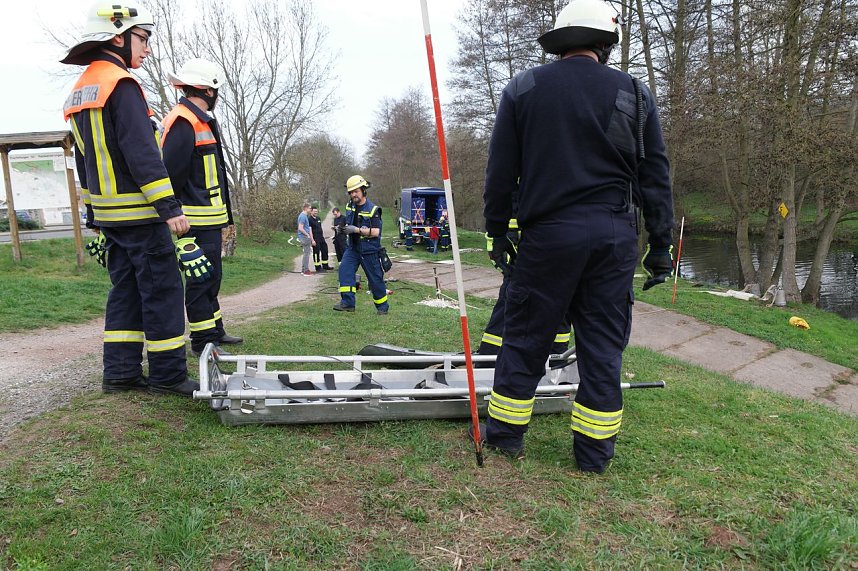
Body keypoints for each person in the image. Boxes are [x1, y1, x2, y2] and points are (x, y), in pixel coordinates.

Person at [479, 0, 674, 473]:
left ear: (560, 42)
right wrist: (661, 246)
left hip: (548, 234)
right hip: (614, 236)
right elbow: (655, 175)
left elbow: (501, 171)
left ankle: (505, 440)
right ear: (605, 45)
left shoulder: (524, 88)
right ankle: (593, 457)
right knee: (603, 348)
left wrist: (497, 230)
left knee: (526, 337)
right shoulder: (635, 92)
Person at [61, 4, 198, 396]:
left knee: (125, 291)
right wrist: (170, 208)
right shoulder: (121, 84)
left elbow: (84, 160)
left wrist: (93, 215)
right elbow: (140, 152)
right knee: (162, 290)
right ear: (117, 37)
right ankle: (168, 375)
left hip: (110, 217)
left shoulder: (81, 90)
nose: (148, 50)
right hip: (140, 214)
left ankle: (120, 373)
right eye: (144, 39)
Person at [161, 57, 243, 356]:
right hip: (193, 221)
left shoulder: (200, 119)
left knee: (212, 278)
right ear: (209, 90)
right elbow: (170, 173)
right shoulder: (184, 121)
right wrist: (173, 214)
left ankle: (215, 332)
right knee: (200, 279)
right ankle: (202, 342)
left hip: (209, 219)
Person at [477, 218, 573, 364]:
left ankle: (488, 363)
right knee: (559, 306)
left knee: (510, 308)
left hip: (529, 247)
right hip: (561, 245)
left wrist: (496, 235)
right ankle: (556, 362)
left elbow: (499, 200)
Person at [332, 175, 389, 315]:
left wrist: (356, 230)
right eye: (351, 192)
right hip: (352, 249)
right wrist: (342, 229)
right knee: (344, 271)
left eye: (356, 191)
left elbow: (376, 232)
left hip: (369, 250)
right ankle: (348, 303)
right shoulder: (349, 206)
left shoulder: (373, 209)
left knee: (375, 281)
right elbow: (348, 223)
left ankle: (382, 308)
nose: (353, 194)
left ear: (363, 190)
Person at [309, 206, 331, 272]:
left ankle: (325, 265)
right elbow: (309, 230)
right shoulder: (309, 219)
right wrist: (312, 240)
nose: (316, 212)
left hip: (321, 237)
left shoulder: (318, 218)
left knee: (325, 250)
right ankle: (318, 267)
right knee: (316, 252)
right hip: (315, 238)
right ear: (311, 211)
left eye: (316, 211)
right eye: (314, 211)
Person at [296, 202, 315, 276]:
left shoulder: (304, 216)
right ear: (306, 208)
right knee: (307, 254)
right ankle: (306, 271)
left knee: (306, 253)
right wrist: (307, 235)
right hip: (304, 237)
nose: (311, 209)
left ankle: (303, 269)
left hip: (305, 237)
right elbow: (300, 228)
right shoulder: (303, 216)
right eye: (310, 208)